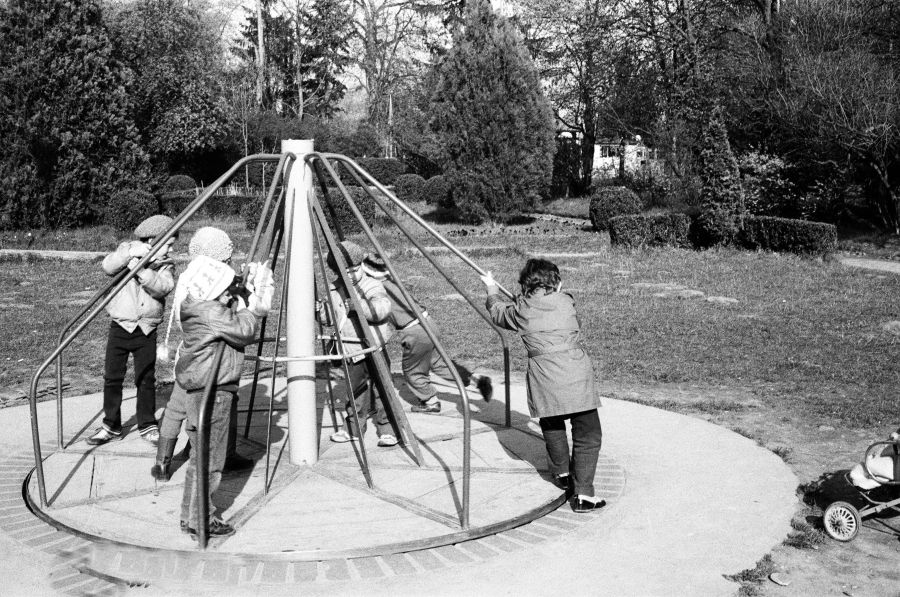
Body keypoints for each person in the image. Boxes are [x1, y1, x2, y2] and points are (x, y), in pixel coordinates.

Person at [480, 258, 605, 513]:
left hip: (544, 376)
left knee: (551, 422)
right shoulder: (566, 300)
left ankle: (561, 472)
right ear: (556, 282)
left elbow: (498, 313)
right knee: (588, 434)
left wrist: (492, 291)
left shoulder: (521, 310)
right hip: (575, 374)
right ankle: (583, 494)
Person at [176, 254, 274, 538]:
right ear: (212, 292)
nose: (229, 292)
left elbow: (226, 316)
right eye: (224, 289)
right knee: (213, 462)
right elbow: (244, 330)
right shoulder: (212, 313)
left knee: (199, 458)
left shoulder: (195, 307)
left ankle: (189, 515)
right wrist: (251, 307)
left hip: (198, 392)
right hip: (215, 393)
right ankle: (203, 519)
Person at [152, 227, 254, 481]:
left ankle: (163, 462)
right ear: (221, 254)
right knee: (224, 403)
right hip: (212, 356)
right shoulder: (220, 276)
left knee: (177, 407)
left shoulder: (191, 274)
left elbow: (181, 316)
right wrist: (246, 292)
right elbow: (231, 315)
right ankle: (224, 453)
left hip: (188, 353)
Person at [360, 254, 492, 414]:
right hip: (428, 322)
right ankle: (476, 379)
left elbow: (380, 314)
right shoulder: (394, 282)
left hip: (414, 332)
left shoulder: (378, 290)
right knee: (438, 363)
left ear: (368, 274)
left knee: (412, 370)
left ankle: (430, 401)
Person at [87, 215, 176, 446]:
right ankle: (111, 425)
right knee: (112, 377)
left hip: (146, 328)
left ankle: (147, 424)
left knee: (145, 378)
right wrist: (130, 254)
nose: (170, 249)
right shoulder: (127, 250)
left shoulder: (166, 265)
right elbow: (108, 266)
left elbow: (163, 287)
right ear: (152, 241)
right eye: (168, 244)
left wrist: (140, 270)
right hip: (121, 325)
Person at [319, 241, 397, 447]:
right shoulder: (334, 289)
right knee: (355, 389)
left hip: (374, 345)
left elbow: (382, 309)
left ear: (360, 264)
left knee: (383, 387)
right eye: (346, 271)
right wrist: (320, 312)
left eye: (355, 269)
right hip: (351, 347)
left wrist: (360, 306)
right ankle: (353, 427)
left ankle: (388, 427)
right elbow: (330, 318)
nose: (352, 274)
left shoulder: (371, 285)